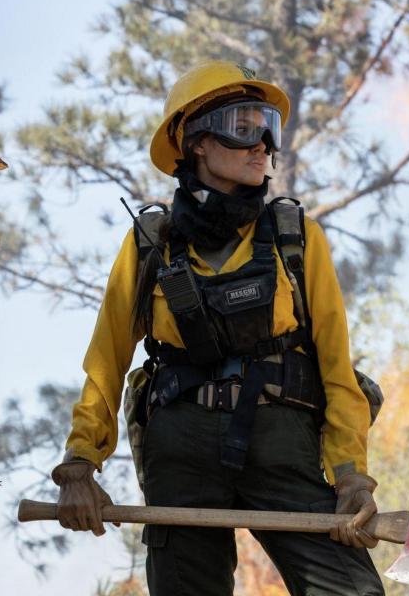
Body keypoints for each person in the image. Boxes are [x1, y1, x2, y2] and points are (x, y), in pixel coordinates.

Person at [49, 60, 385, 595]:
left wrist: (350, 477)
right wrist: (79, 464)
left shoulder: (297, 238)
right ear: (196, 141)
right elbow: (106, 361)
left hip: (283, 443)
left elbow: (337, 369)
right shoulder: (150, 244)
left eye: (268, 128)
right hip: (179, 450)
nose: (263, 146)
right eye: (244, 126)